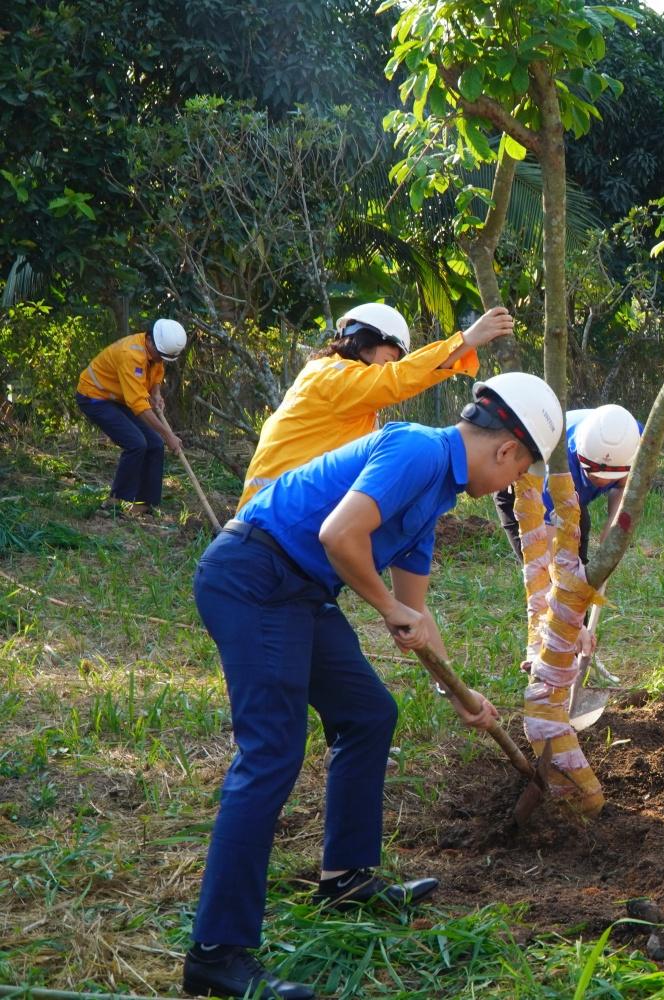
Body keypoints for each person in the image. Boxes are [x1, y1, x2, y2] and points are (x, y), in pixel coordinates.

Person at [182, 372, 562, 1000]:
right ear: (506, 451)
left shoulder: (435, 498)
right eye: (518, 472)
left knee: (368, 714)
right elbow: (339, 536)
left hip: (301, 592)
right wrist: (386, 606)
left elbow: (418, 612)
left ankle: (347, 878)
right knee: (273, 751)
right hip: (252, 574)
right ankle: (217, 955)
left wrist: (463, 695)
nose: (509, 485)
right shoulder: (416, 447)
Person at [237, 302, 514, 509]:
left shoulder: (354, 397)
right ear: (365, 339)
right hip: (273, 507)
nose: (392, 365)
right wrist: (466, 341)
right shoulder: (330, 374)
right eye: (390, 356)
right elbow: (397, 380)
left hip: (284, 505)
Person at [495, 403, 642, 567]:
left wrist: (611, 532)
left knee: (580, 534)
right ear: (580, 455)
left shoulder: (633, 439)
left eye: (611, 476)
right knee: (541, 568)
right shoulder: (556, 469)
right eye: (593, 474)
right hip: (517, 480)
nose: (602, 481)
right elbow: (548, 545)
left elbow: (623, 487)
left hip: (569, 486)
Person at [75, 318, 188, 517]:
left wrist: (156, 393)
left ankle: (145, 504)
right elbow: (138, 405)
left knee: (154, 443)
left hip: (119, 397)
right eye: (160, 356)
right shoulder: (131, 355)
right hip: (94, 397)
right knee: (136, 443)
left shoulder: (156, 354)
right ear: (150, 341)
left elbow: (157, 372)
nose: (162, 360)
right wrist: (168, 435)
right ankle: (113, 502)